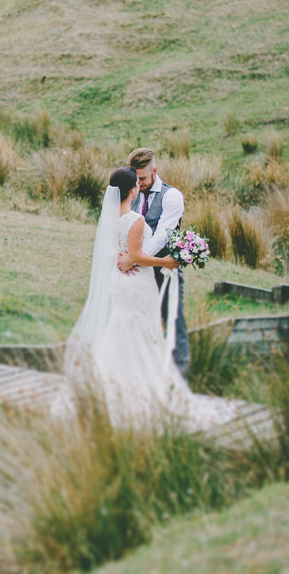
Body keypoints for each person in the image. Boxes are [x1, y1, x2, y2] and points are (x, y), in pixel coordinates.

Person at [56, 167, 233, 431]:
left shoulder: (110, 218)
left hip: (119, 282)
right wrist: (166, 262)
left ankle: (109, 391)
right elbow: (137, 256)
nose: (140, 186)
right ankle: (139, 396)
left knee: (121, 333)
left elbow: (119, 253)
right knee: (141, 335)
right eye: (137, 184)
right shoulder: (135, 220)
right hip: (137, 283)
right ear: (132, 190)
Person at [117, 148, 190, 378]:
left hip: (164, 268)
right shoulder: (132, 192)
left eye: (143, 178)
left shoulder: (172, 196)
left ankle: (180, 372)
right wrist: (129, 259)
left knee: (172, 317)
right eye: (135, 179)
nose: (139, 183)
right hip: (136, 274)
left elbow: (162, 235)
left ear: (155, 171)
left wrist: (134, 259)